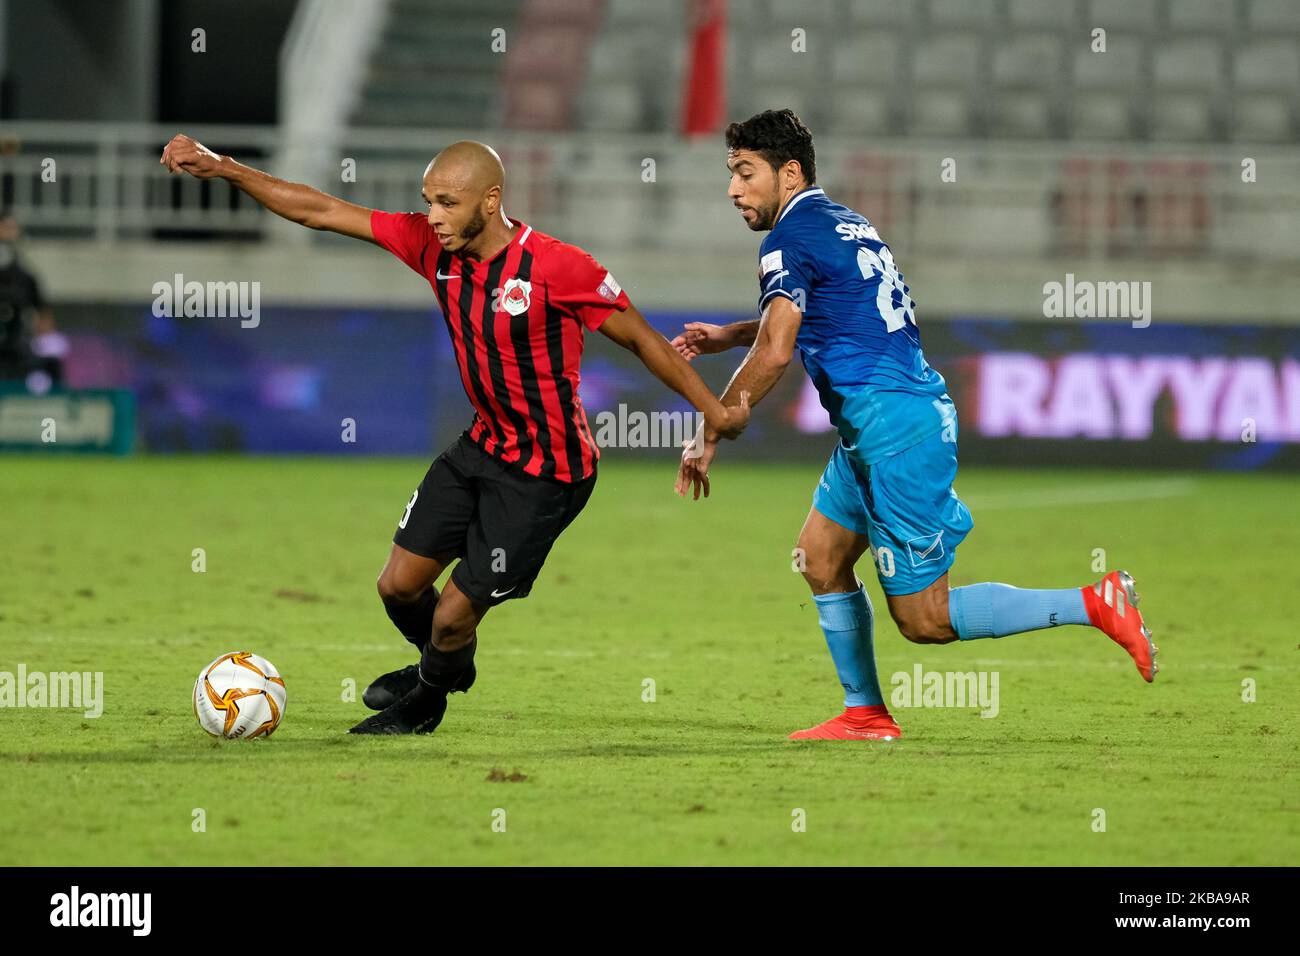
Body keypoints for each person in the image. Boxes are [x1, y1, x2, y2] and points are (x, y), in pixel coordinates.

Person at [161, 134, 749, 735]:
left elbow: (644, 341)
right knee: (398, 586)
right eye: (428, 202)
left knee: (449, 617)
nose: (433, 217)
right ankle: (445, 668)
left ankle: (427, 699)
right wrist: (224, 166)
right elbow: (322, 210)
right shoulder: (429, 246)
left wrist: (714, 412)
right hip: (482, 446)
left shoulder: (558, 266)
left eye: (446, 203)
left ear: (490, 201)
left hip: (547, 474)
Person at [671, 110, 1157, 741]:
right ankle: (866, 715)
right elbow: (842, 313)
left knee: (924, 620)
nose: (733, 189)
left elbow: (777, 351)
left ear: (788, 173)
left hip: (894, 433)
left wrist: (715, 423)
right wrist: (732, 333)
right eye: (730, 174)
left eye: (745, 173)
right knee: (819, 559)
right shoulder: (845, 222)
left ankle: (1095, 603)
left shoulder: (786, 242)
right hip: (876, 427)